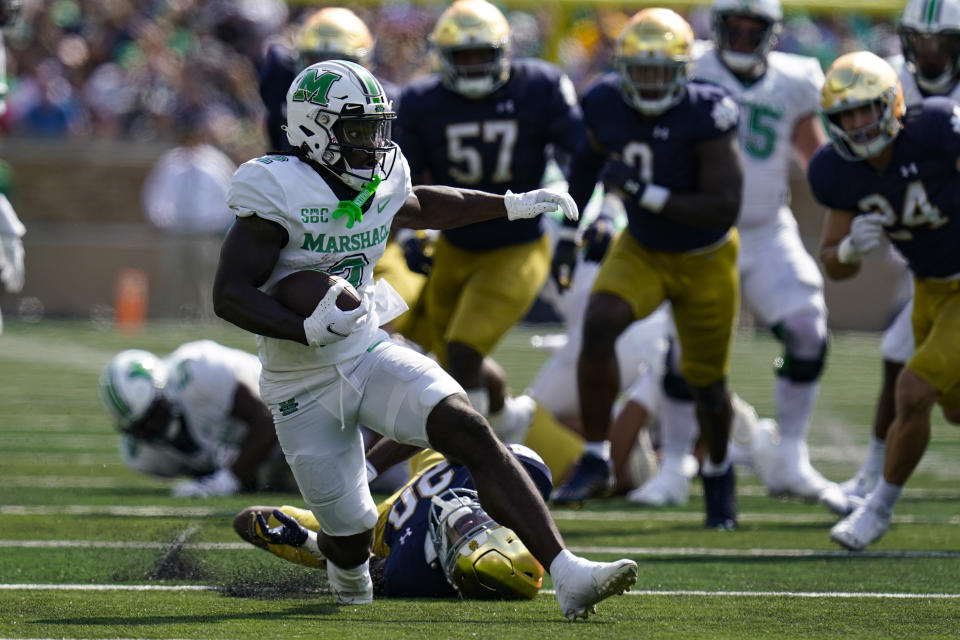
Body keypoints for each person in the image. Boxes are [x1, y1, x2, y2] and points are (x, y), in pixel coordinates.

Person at [212, 59, 637, 617]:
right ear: (314, 130)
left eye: (376, 127)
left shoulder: (380, 174)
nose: (374, 143)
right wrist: (303, 327)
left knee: (467, 426)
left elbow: (421, 206)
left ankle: (566, 571)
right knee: (353, 534)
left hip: (365, 350)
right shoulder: (276, 190)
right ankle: (337, 559)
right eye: (358, 130)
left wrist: (509, 205)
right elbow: (228, 294)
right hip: (300, 381)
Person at [550, 8, 744, 532]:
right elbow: (587, 167)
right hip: (643, 247)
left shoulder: (708, 111)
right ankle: (595, 456)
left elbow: (722, 206)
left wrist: (645, 192)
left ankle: (720, 473)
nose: (652, 83)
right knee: (600, 321)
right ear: (623, 68)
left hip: (705, 257)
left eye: (663, 71)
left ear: (683, 70)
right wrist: (569, 235)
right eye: (643, 71)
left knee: (706, 383)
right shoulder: (605, 100)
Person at [656, 0, 837, 505]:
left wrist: (858, 193)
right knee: (681, 353)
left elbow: (814, 155)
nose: (738, 37)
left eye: (749, 28)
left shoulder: (796, 78)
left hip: (766, 229)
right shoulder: (690, 65)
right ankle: (673, 464)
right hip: (699, 233)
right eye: (730, 27)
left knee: (807, 332)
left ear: (770, 33)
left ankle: (790, 456)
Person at [395, 0, 588, 429]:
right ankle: (503, 412)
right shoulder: (421, 99)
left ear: (503, 51)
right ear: (443, 57)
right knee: (446, 357)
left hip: (517, 245)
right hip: (455, 243)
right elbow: (400, 176)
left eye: (482, 54)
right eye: (462, 56)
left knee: (462, 353)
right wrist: (410, 236)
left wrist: (579, 211)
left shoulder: (538, 85)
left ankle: (465, 461)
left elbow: (583, 151)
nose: (473, 65)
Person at [811, 51, 960, 550]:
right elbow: (833, 260)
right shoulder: (838, 172)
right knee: (954, 410)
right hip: (931, 289)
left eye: (867, 109)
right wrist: (851, 247)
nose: (857, 123)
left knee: (913, 390)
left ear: (892, 105)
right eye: (845, 115)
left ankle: (877, 508)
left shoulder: (937, 129)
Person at [840, 0, 960, 501]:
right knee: (933, 386)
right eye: (922, 43)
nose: (931, 54)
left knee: (906, 361)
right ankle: (872, 472)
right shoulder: (891, 88)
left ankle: (873, 477)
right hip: (928, 248)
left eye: (943, 44)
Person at [234, 443, 552, 599]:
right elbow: (436, 423)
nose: (459, 520)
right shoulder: (521, 478)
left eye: (459, 534)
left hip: (381, 528)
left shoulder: (416, 571)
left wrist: (310, 542)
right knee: (439, 407)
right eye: (475, 524)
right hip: (437, 467)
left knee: (253, 520)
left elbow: (367, 566)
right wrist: (365, 472)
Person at [99, 340, 291, 497]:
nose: (153, 425)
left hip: (295, 409)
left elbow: (268, 418)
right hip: (266, 462)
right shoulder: (142, 457)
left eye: (154, 413)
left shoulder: (198, 370)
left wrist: (228, 480)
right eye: (141, 426)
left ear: (165, 390)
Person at [141, 114, 237, 320]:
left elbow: (230, 194)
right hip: (176, 230)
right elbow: (155, 191)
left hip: (205, 232)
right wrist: (159, 218)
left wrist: (218, 223)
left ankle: (208, 319)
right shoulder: (170, 161)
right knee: (172, 278)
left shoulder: (215, 162)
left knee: (205, 279)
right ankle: (169, 318)